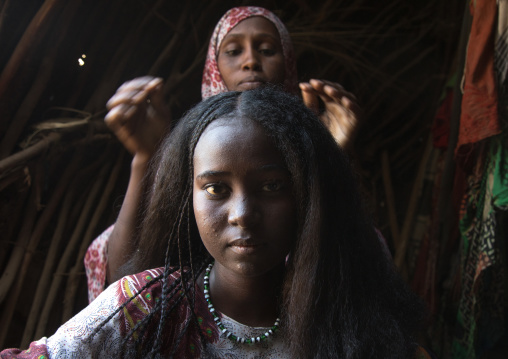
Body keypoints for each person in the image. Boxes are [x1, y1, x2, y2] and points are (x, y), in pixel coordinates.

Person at [1, 87, 429, 358]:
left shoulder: (354, 315)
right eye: (216, 189)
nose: (243, 213)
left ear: (307, 196)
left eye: (273, 186)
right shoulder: (147, 307)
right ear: (186, 199)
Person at [84, 6, 361, 302]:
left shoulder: (307, 149)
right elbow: (123, 276)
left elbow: (348, 264)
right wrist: (146, 157)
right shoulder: (191, 152)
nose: (251, 61)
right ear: (214, 66)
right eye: (233, 51)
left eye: (267, 50)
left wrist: (330, 159)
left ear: (288, 63)